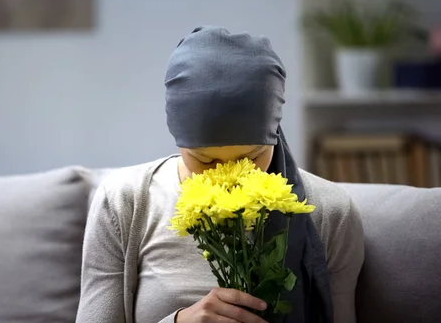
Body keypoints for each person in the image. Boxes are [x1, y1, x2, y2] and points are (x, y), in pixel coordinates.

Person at [75, 26, 364, 323]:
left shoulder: (330, 211)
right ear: (178, 138)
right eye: (205, 159)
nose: (227, 175)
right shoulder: (125, 201)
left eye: (250, 158)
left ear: (273, 135)